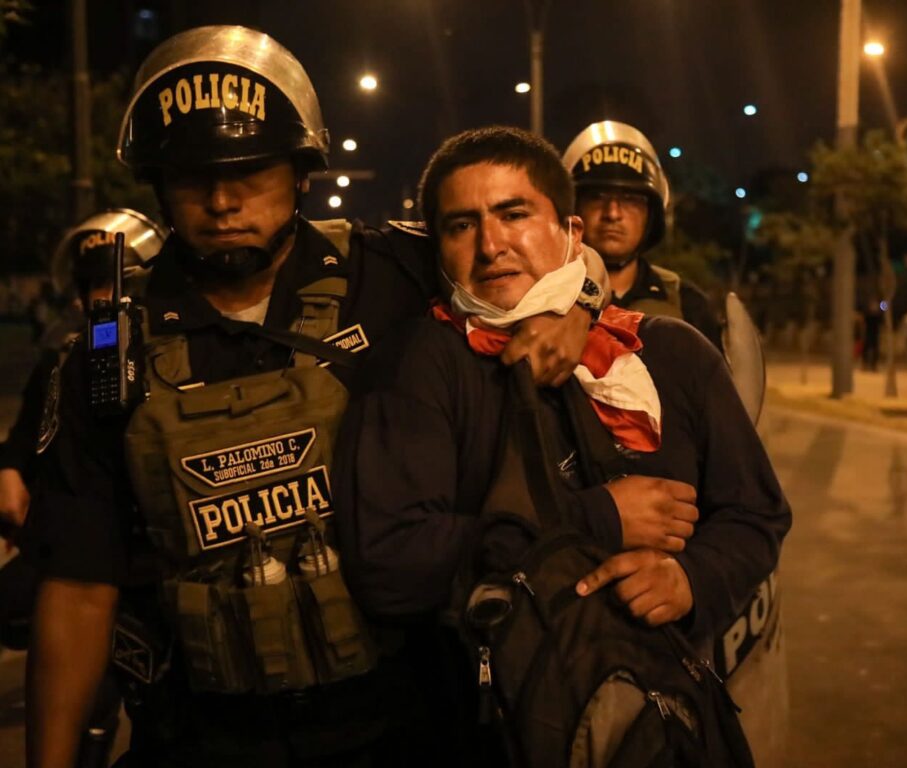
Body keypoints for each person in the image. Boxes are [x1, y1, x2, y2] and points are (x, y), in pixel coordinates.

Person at [20, 27, 604, 768]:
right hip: (202, 740)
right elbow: (78, 589)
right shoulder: (108, 354)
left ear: (300, 172)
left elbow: (538, 254)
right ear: (158, 185)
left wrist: (575, 303)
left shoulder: (391, 270)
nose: (222, 200)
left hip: (409, 727)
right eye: (192, 177)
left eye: (249, 170)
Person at [338, 126, 791, 763]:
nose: (491, 244)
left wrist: (692, 578)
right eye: (462, 225)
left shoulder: (673, 353)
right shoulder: (419, 366)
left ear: (572, 234)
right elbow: (390, 562)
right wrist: (596, 519)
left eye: (514, 214)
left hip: (665, 729)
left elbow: (757, 514)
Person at [0, 208, 165, 768]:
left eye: (121, 281)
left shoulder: (175, 350)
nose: (108, 297)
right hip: (85, 551)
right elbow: (28, 434)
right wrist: (10, 473)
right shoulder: (65, 360)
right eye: (95, 285)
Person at [563, 120, 723, 351]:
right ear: (573, 208)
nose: (613, 213)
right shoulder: (545, 298)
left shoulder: (688, 305)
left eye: (630, 200)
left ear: (651, 214)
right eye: (597, 197)